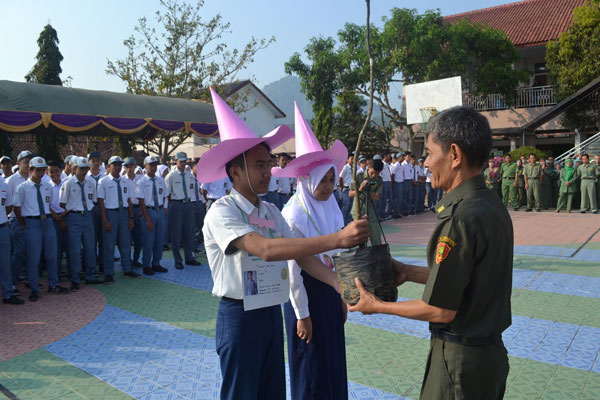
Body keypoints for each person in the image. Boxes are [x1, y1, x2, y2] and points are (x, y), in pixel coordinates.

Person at [199, 90, 369, 400]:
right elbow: (264, 249)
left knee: (272, 391)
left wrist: (336, 282)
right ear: (235, 172)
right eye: (259, 166)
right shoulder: (222, 211)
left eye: (267, 164)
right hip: (239, 315)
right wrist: (338, 239)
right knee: (242, 392)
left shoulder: (271, 212)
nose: (268, 172)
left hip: (269, 312)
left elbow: (301, 256)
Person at [349, 106, 513, 400]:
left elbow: (441, 309)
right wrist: (409, 272)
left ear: (454, 154)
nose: (425, 162)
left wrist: (376, 305)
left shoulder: (460, 217)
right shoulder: (490, 204)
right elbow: (471, 279)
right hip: (486, 357)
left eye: (429, 152)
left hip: (460, 362)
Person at [274, 104, 349, 399]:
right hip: (305, 297)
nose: (329, 186)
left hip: (331, 292)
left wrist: (344, 296)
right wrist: (302, 314)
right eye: (324, 181)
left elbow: (339, 255)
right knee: (310, 368)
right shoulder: (293, 214)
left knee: (332, 363)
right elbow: (293, 269)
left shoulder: (332, 207)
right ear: (309, 179)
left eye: (332, 179)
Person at [14, 157, 70, 301]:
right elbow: (17, 208)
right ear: (30, 170)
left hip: (47, 222)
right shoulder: (22, 188)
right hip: (31, 222)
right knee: (33, 258)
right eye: (37, 170)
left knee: (52, 255)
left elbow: (49, 205)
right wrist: (24, 223)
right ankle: (34, 287)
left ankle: (54, 284)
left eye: (42, 170)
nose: (40, 173)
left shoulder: (47, 187)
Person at [59, 157, 103, 290]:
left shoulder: (90, 182)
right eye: (81, 168)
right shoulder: (68, 183)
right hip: (74, 217)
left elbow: (93, 199)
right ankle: (75, 278)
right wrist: (74, 208)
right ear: (74, 168)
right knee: (75, 250)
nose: (84, 171)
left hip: (88, 216)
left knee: (90, 248)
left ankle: (90, 276)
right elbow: (62, 203)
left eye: (85, 168)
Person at [97, 156, 139, 283]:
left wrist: (131, 217)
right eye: (114, 165)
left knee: (125, 243)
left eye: (119, 165)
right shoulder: (103, 181)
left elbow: (129, 200)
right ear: (108, 167)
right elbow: (100, 202)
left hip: (124, 213)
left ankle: (127, 269)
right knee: (109, 245)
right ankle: (109, 272)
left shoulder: (125, 181)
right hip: (111, 213)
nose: (117, 167)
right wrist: (105, 220)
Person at [165, 152, 201, 269]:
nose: (183, 164)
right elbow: (168, 194)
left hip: (188, 204)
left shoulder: (189, 175)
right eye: (181, 161)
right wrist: (174, 205)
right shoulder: (171, 176)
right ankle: (178, 260)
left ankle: (189, 258)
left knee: (189, 232)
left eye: (184, 161)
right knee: (177, 233)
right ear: (176, 161)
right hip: (177, 204)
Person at [136, 156, 169, 276]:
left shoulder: (160, 180)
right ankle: (146, 265)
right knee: (148, 241)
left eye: (155, 165)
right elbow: (141, 202)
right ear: (145, 166)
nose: (154, 167)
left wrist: (164, 207)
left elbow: (165, 195)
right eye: (151, 165)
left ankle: (156, 263)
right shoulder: (141, 182)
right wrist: (147, 218)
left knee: (160, 239)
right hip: (148, 211)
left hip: (159, 211)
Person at [7, 150, 34, 295]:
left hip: (31, 220)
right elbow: (9, 204)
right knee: (19, 252)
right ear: (18, 164)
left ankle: (31, 279)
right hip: (17, 220)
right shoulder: (11, 180)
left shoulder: (33, 178)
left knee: (32, 251)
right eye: (25, 162)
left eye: (30, 162)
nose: (28, 164)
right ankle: (12, 282)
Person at [350, 159, 383, 245]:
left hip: (371, 211)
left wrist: (368, 191)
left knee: (376, 237)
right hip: (358, 210)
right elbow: (350, 194)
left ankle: (378, 255)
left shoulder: (379, 180)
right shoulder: (359, 176)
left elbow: (377, 197)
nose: (374, 175)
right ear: (369, 167)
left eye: (377, 174)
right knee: (361, 238)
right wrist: (360, 189)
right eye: (373, 172)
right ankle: (362, 255)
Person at [0, 174, 22, 304]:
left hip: (3, 227)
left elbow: (8, 207)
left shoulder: (5, 186)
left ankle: (8, 294)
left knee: (5, 263)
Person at [47, 160, 70, 279]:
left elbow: (71, 202)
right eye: (51, 172)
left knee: (70, 247)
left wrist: (63, 216)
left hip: (66, 217)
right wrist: (57, 217)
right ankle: (56, 275)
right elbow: (47, 205)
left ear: (61, 171)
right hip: (53, 219)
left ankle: (72, 273)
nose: (54, 174)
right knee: (56, 249)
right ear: (47, 172)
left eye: (57, 171)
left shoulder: (67, 184)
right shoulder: (46, 186)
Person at [123, 157, 144, 267]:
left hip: (138, 210)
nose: (129, 168)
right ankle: (127, 261)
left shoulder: (141, 179)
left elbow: (145, 195)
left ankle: (136, 259)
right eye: (127, 166)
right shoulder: (122, 180)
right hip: (126, 211)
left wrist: (142, 209)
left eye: (131, 166)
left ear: (135, 166)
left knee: (139, 239)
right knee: (126, 239)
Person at [87, 151, 106, 273]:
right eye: (93, 161)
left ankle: (103, 264)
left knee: (104, 238)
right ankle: (91, 266)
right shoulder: (85, 177)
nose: (95, 163)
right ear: (89, 162)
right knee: (91, 239)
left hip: (103, 207)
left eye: (97, 161)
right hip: (91, 208)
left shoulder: (105, 177)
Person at [338, 154, 354, 224]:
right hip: (346, 189)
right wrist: (342, 186)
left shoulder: (353, 167)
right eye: (351, 159)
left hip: (352, 189)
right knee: (345, 207)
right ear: (347, 160)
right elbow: (340, 177)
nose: (353, 160)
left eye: (354, 159)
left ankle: (348, 221)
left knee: (351, 207)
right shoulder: (345, 167)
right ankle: (342, 222)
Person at [379, 152, 393, 220]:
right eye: (388, 155)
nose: (389, 157)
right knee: (384, 200)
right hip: (384, 183)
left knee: (389, 199)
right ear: (385, 156)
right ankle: (382, 215)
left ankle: (387, 214)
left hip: (388, 182)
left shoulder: (387, 164)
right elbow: (380, 175)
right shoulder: (381, 164)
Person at [390, 153, 404, 218]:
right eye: (402, 157)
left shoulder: (400, 165)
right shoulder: (396, 165)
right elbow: (393, 175)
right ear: (398, 157)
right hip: (397, 183)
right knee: (397, 199)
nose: (403, 158)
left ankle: (397, 212)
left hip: (401, 183)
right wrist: (393, 184)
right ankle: (395, 213)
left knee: (400, 199)